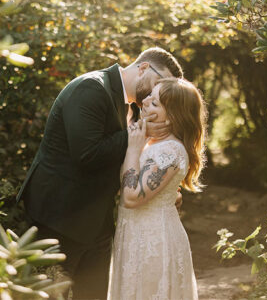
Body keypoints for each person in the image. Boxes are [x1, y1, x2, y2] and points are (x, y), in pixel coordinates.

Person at [16, 47, 184, 298]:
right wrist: (135, 134)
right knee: (46, 294)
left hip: (97, 222)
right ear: (143, 68)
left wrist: (159, 185)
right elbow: (87, 155)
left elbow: (127, 157)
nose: (156, 93)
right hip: (59, 218)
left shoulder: (133, 107)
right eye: (159, 82)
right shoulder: (91, 88)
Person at [108, 77, 206, 299]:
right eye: (150, 96)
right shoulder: (149, 141)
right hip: (133, 235)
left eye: (154, 103)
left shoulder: (170, 150)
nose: (145, 102)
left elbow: (131, 197)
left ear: (171, 117)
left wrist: (133, 149)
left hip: (154, 241)